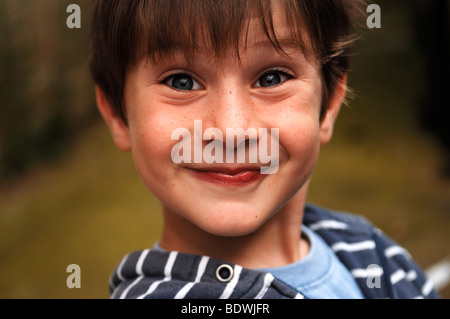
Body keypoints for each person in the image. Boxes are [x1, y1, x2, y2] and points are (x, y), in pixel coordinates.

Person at [89, 0, 439, 299]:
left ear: (330, 103)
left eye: (271, 78)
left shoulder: (372, 251)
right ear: (118, 115)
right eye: (182, 82)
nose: (231, 131)